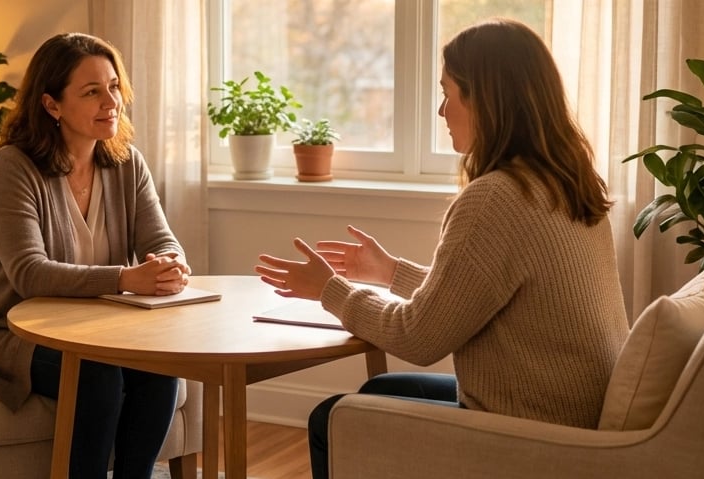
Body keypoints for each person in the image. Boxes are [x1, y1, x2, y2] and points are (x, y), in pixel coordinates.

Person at [254, 18, 629, 479]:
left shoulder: (496, 198)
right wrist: (391, 272)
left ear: (486, 100)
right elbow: (482, 295)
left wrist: (329, 290)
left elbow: (419, 338)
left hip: (527, 433)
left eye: (448, 94)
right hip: (570, 417)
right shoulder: (566, 183)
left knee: (331, 421)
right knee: (376, 393)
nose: (440, 111)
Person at [0, 32, 191, 479]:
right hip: (10, 332)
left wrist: (169, 264)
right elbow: (29, 274)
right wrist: (125, 278)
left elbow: (163, 240)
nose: (111, 101)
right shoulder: (13, 167)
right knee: (95, 373)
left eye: (114, 86)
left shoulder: (127, 164)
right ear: (52, 105)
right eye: (91, 92)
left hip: (98, 328)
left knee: (160, 368)